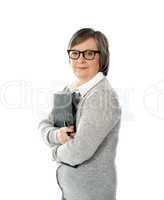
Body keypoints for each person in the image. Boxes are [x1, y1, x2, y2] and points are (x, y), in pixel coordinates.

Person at [38, 28, 122, 200]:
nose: (81, 59)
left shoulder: (102, 98)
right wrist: (57, 135)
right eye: (75, 53)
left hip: (91, 195)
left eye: (89, 53)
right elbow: (44, 124)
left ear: (102, 57)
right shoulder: (70, 90)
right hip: (70, 192)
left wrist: (54, 153)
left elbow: (78, 151)